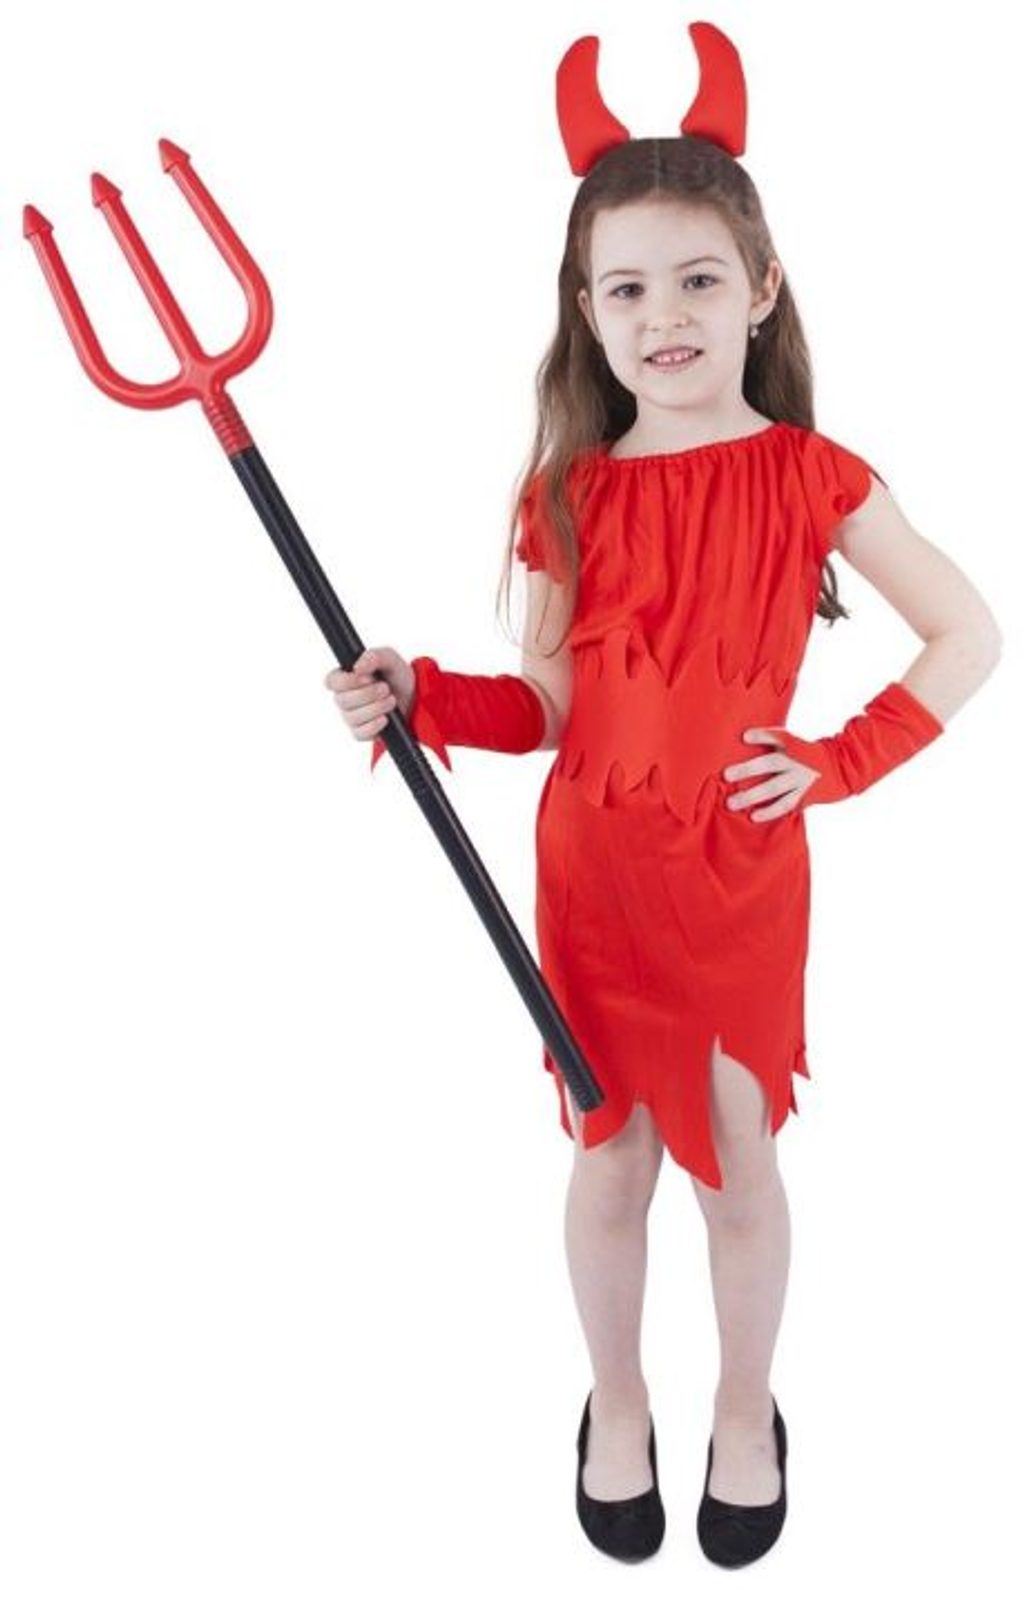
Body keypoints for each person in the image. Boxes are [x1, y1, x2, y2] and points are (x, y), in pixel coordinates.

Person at [323, 19, 1001, 1569]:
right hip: (597, 877)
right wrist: (426, 696)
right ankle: (618, 1401)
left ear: (761, 286)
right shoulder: (565, 491)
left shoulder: (815, 478)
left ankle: (745, 1407)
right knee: (611, 1154)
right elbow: (550, 706)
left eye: (697, 279)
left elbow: (968, 633)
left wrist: (836, 762)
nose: (663, 315)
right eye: (624, 288)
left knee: (739, 1159)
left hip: (736, 874)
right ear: (585, 309)